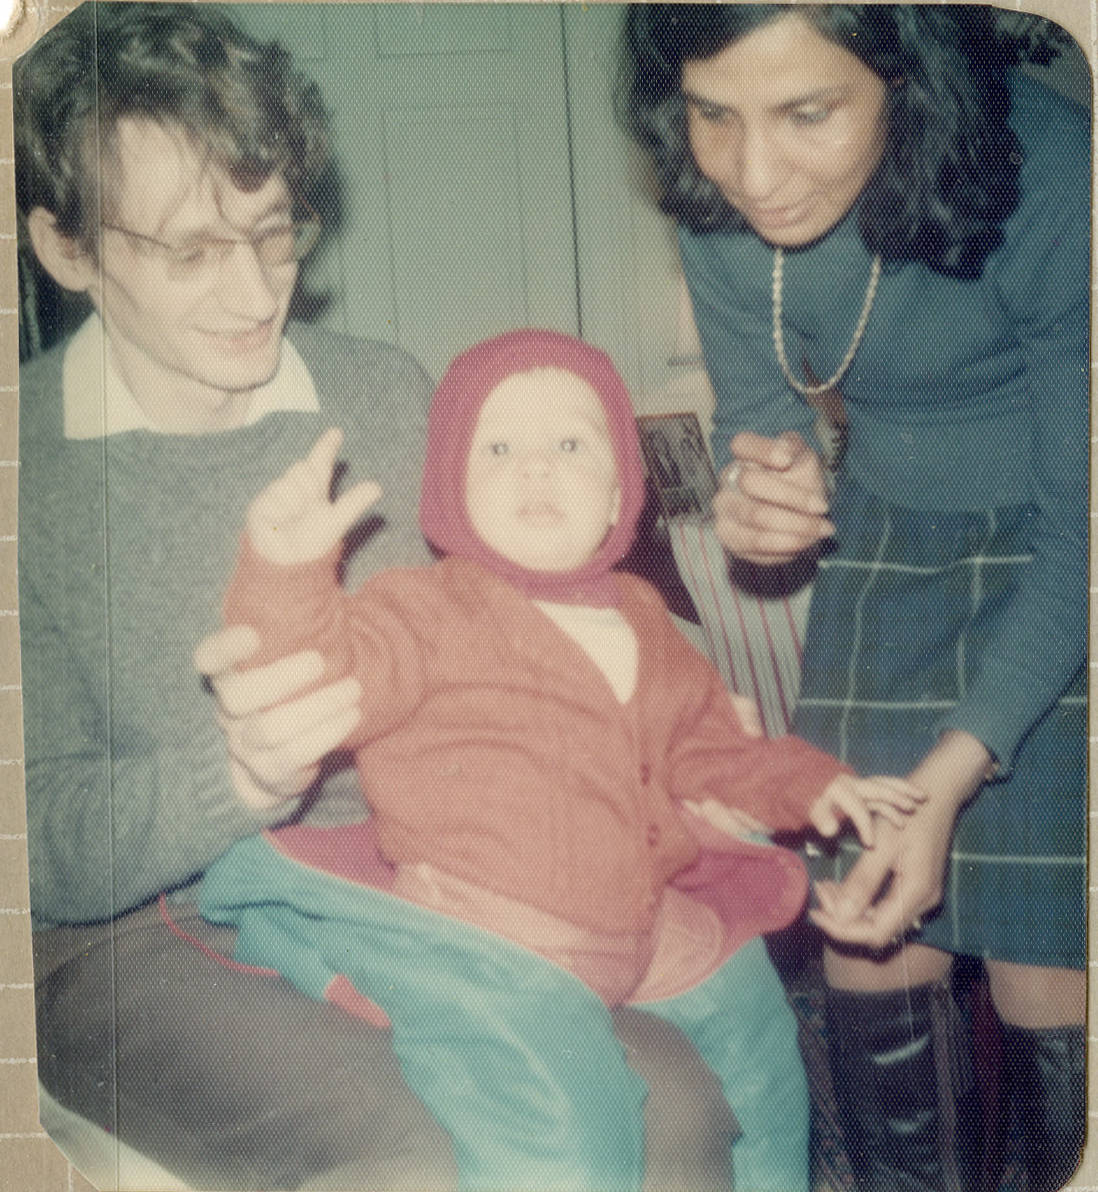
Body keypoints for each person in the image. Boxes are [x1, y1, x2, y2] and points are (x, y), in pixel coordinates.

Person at [15, 6, 740, 1189]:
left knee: (680, 1104)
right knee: (421, 1155)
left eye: (274, 232)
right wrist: (235, 775)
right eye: (191, 251)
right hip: (133, 935)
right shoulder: (27, 473)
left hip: (419, 873)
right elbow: (34, 846)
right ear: (65, 247)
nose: (255, 290)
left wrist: (676, 743)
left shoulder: (385, 396)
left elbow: (531, 643)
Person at [198, 327, 925, 1192]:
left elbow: (711, 749)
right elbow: (314, 673)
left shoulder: (646, 617)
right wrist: (285, 573)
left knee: (765, 1046)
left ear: (620, 490)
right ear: (451, 484)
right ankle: (343, 960)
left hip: (640, 917)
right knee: (567, 1132)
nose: (537, 469)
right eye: (500, 448)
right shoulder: (421, 610)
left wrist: (816, 784)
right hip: (488, 941)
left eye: (571, 445)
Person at [620, 6, 1087, 1192]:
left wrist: (950, 774)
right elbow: (764, 424)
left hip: (1062, 541)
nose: (753, 172)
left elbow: (1085, 531)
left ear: (904, 77)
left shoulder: (1054, 170)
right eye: (714, 114)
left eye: (807, 113)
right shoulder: (717, 201)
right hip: (887, 534)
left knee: (1048, 952)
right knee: (865, 938)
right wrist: (761, 497)